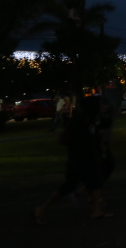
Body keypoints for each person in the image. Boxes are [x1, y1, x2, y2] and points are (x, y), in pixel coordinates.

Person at [33, 96, 112, 224]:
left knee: (96, 182)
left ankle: (96, 211)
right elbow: (81, 140)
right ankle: (42, 208)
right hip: (79, 159)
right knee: (69, 185)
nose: (100, 107)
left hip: (88, 158)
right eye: (98, 104)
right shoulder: (80, 121)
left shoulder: (91, 119)